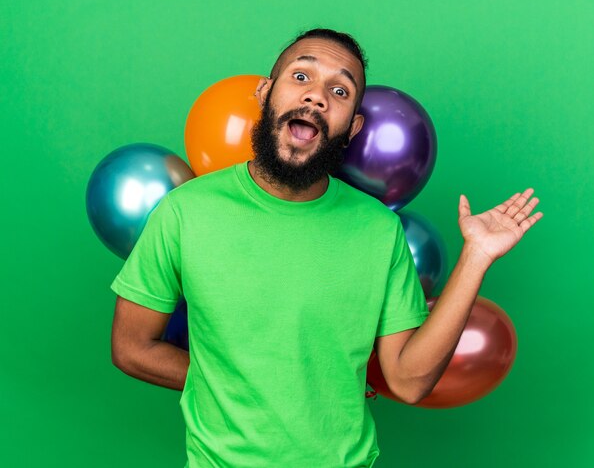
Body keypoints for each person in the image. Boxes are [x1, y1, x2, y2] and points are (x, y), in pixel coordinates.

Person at [110, 28, 543, 468]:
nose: (317, 97)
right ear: (264, 93)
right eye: (301, 77)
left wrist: (476, 256)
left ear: (352, 126)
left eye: (339, 90)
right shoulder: (185, 211)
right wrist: (230, 384)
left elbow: (409, 382)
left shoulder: (379, 229)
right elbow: (131, 347)